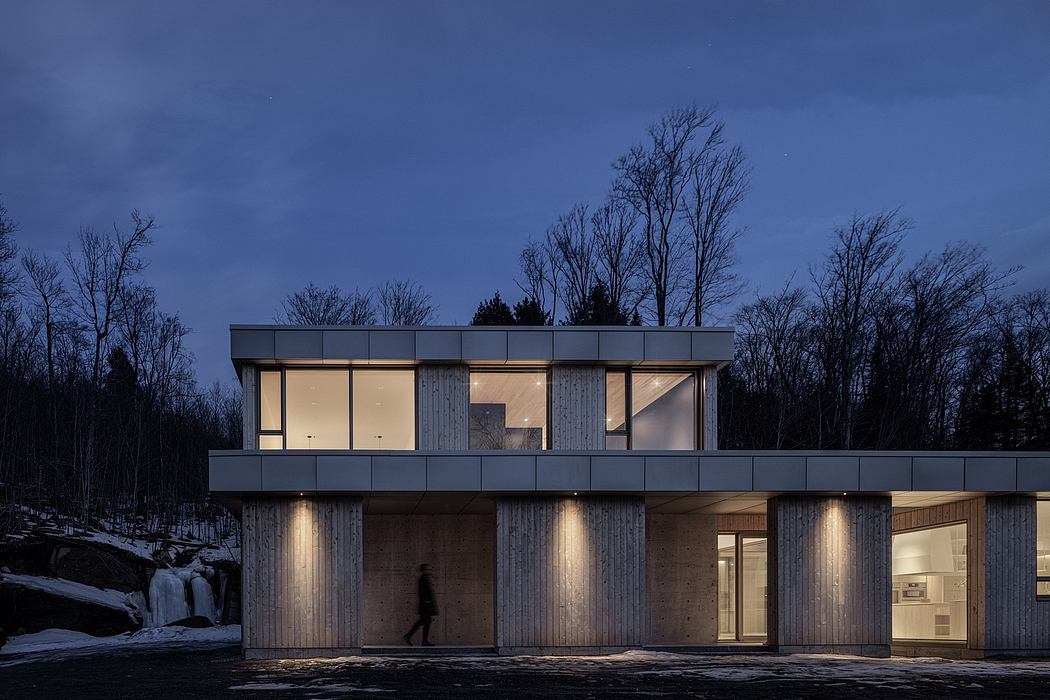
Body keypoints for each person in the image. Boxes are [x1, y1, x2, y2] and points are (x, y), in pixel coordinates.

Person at [403, 563, 438, 646]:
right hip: (425, 605)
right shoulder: (423, 578)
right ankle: (423, 640)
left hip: (425, 604)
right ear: (424, 570)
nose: (430, 571)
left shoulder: (425, 578)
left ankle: (409, 636)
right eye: (428, 569)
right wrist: (427, 602)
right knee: (426, 622)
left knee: (422, 622)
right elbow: (423, 592)